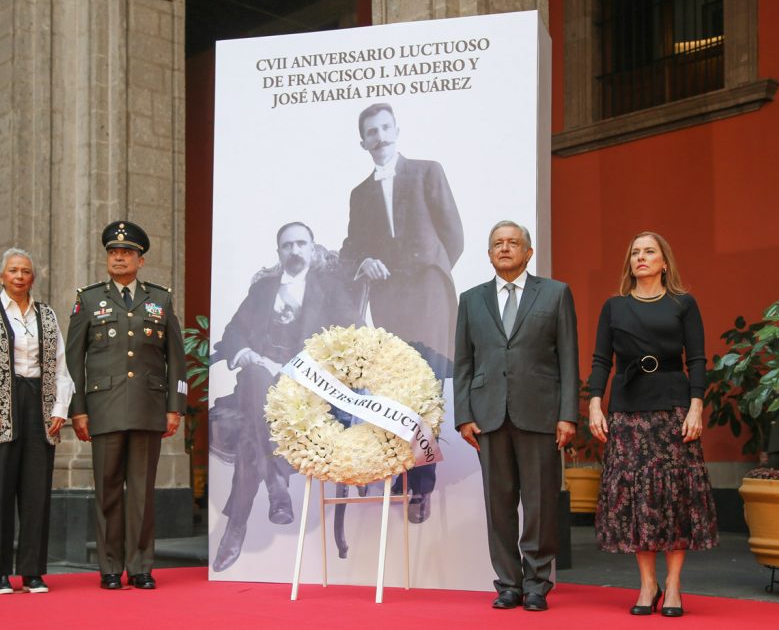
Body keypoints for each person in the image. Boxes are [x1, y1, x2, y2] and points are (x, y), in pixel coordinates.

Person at [339, 102, 464, 522]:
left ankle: (419, 485)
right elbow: (353, 246)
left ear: (397, 130)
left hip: (427, 294)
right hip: (389, 300)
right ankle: (400, 469)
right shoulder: (359, 193)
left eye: (385, 127)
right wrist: (363, 262)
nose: (380, 136)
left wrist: (429, 269)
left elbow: (453, 235)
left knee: (425, 389)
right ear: (363, 142)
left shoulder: (428, 171)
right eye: (371, 131)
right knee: (396, 390)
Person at [587, 231, 719, 618]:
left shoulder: (683, 303)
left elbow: (696, 359)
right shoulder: (614, 307)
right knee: (637, 499)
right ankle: (648, 584)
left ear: (664, 262)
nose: (640, 258)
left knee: (675, 496)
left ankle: (674, 585)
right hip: (628, 410)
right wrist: (596, 404)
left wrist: (696, 407)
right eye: (635, 253)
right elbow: (600, 361)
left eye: (649, 252)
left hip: (674, 408)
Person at [211, 222, 356, 572]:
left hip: (308, 387)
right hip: (259, 378)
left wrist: (309, 365)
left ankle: (237, 523)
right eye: (287, 245)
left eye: (300, 244)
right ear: (279, 253)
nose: (294, 250)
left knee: (251, 432)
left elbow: (352, 334)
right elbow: (233, 332)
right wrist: (243, 352)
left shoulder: (332, 289)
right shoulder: (263, 289)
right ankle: (277, 485)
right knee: (257, 379)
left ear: (311, 248)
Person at [453, 220, 578, 612]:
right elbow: (464, 362)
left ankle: (537, 585)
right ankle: (509, 583)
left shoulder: (555, 294)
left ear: (528, 252)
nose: (505, 248)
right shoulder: (471, 299)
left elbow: (569, 359)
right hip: (487, 415)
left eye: (513, 243)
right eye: (497, 244)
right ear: (489, 254)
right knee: (499, 504)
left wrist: (567, 415)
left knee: (540, 503)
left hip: (540, 413)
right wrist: (463, 415)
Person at [66, 221, 187, 590]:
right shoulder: (88, 300)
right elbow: (73, 360)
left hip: (149, 408)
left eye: (127, 252)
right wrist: (78, 409)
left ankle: (139, 566)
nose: (119, 257)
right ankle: (108, 567)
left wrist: (175, 407)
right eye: (113, 252)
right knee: (107, 492)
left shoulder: (160, 299)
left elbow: (176, 359)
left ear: (141, 259)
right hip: (103, 409)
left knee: (141, 493)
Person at [0, 248, 74, 594]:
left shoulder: (47, 315)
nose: (20, 276)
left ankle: (32, 572)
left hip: (39, 407)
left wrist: (59, 409)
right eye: (13, 270)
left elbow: (60, 367)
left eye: (26, 271)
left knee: (36, 493)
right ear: (1, 276)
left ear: (33, 278)